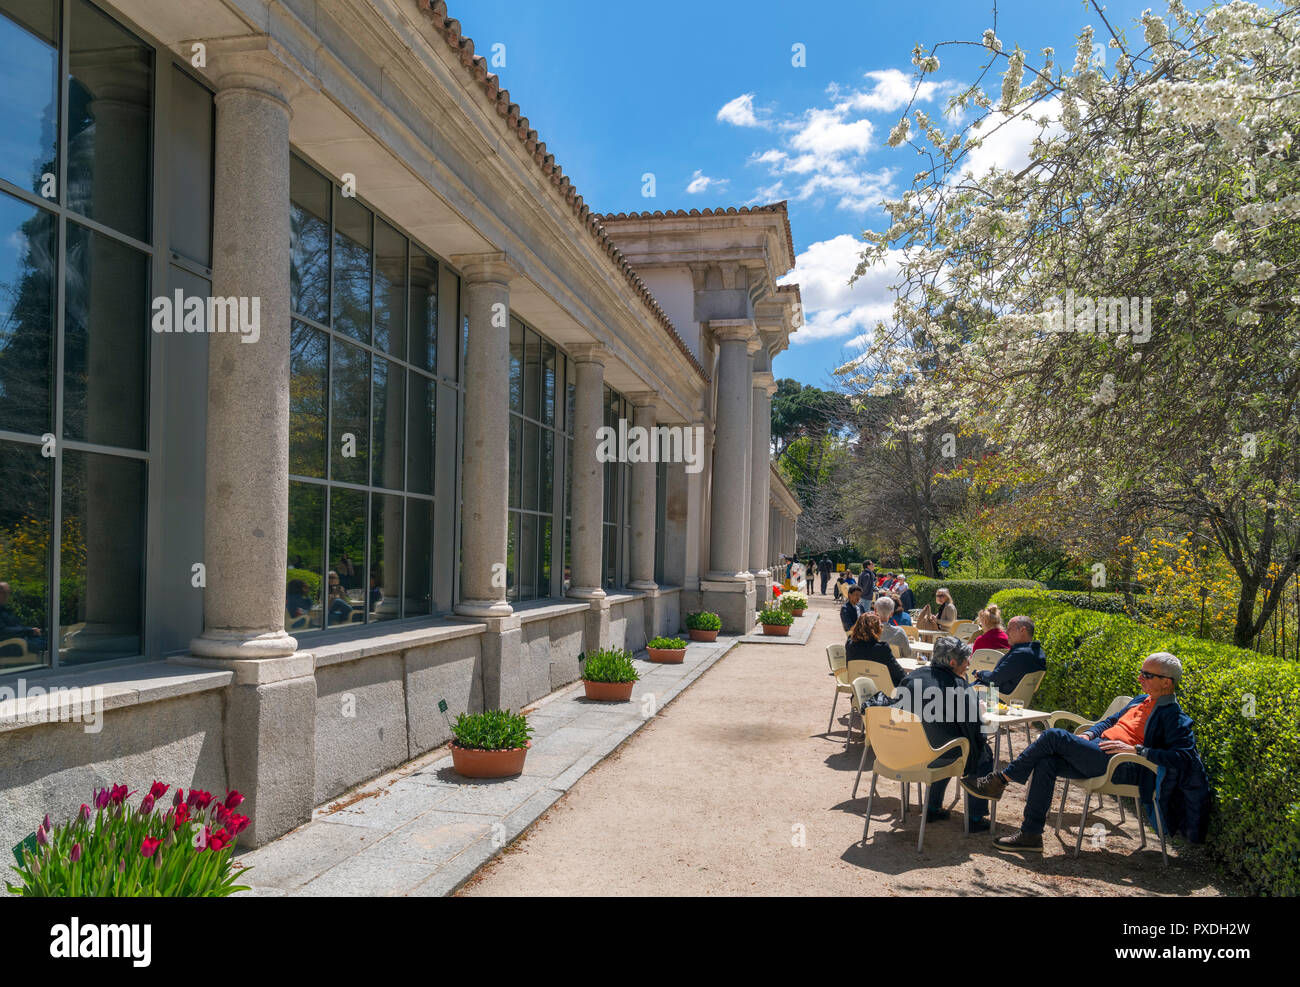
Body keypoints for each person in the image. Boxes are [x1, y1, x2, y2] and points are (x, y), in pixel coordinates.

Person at [962, 652, 1209, 852]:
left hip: (1122, 765)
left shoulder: (1175, 718)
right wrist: (1089, 734)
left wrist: (1136, 749)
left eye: (1147, 675)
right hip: (1098, 751)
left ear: (1167, 682)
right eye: (1141, 673)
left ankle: (1001, 780)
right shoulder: (1140, 700)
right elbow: (1109, 722)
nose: (1140, 678)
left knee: (1053, 735)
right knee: (1047, 761)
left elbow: (1183, 757)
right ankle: (1031, 834)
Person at [896, 636, 994, 830]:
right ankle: (975, 818)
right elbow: (975, 732)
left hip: (908, 753)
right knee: (981, 753)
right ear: (952, 662)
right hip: (939, 755)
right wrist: (981, 714)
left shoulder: (912, 678)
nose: (968, 664)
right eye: (966, 660)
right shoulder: (959, 687)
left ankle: (932, 806)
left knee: (941, 740)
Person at [973, 615, 1045, 695]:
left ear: (1022, 630)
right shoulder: (1039, 652)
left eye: (1010, 629)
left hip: (996, 697)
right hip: (1019, 697)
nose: (1006, 632)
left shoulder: (1021, 654)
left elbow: (994, 679)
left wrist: (979, 673)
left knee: (959, 695)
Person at [846, 611, 906, 688]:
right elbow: (899, 674)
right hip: (883, 694)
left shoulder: (850, 645)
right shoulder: (882, 649)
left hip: (859, 691)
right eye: (880, 626)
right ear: (877, 629)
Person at [0, 581, 46, 653]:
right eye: (3, 592)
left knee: (50, 641)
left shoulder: (6, 610)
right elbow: (2, 631)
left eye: (8, 592)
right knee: (49, 644)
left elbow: (16, 627)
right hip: (8, 644)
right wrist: (28, 631)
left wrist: (31, 630)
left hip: (18, 640)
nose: (6, 595)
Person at [873, 596, 913, 660]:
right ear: (891, 614)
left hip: (871, 668)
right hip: (893, 668)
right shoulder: (900, 632)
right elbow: (907, 653)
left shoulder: (867, 631)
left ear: (875, 611)